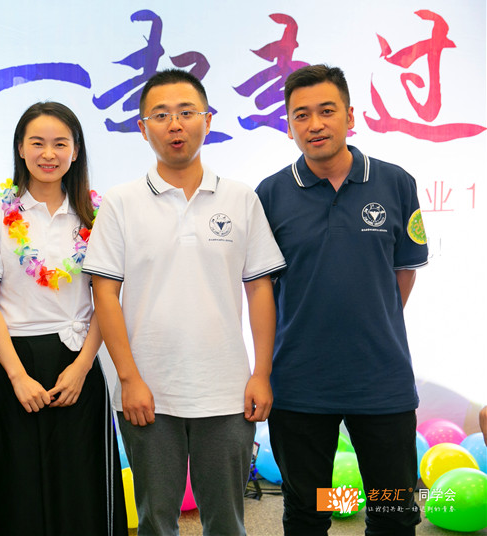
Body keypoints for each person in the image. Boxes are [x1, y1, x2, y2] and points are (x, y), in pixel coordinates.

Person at [84, 69, 285, 536]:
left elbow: (260, 289)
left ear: (207, 121)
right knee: (156, 521)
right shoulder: (120, 202)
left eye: (186, 112)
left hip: (227, 391)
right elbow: (104, 294)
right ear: (143, 128)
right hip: (148, 392)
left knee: (227, 521)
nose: (175, 125)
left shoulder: (241, 198)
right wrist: (129, 379)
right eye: (161, 115)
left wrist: (261, 373)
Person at [255, 64, 429, 535]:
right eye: (301, 115)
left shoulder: (396, 183)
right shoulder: (269, 194)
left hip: (382, 380)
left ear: (350, 116)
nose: (315, 124)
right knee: (307, 513)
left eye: (327, 111)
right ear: (289, 126)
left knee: (393, 512)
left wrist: (370, 321)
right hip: (298, 383)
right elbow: (261, 289)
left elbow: (404, 272)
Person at [0, 102, 128, 536]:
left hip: (77, 362)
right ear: (20, 148)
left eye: (60, 143)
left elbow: (105, 299)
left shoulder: (97, 215)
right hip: (13, 364)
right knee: (16, 491)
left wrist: (82, 367)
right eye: (37, 143)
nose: (48, 154)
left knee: (79, 490)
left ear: (76, 150)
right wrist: (17, 377)